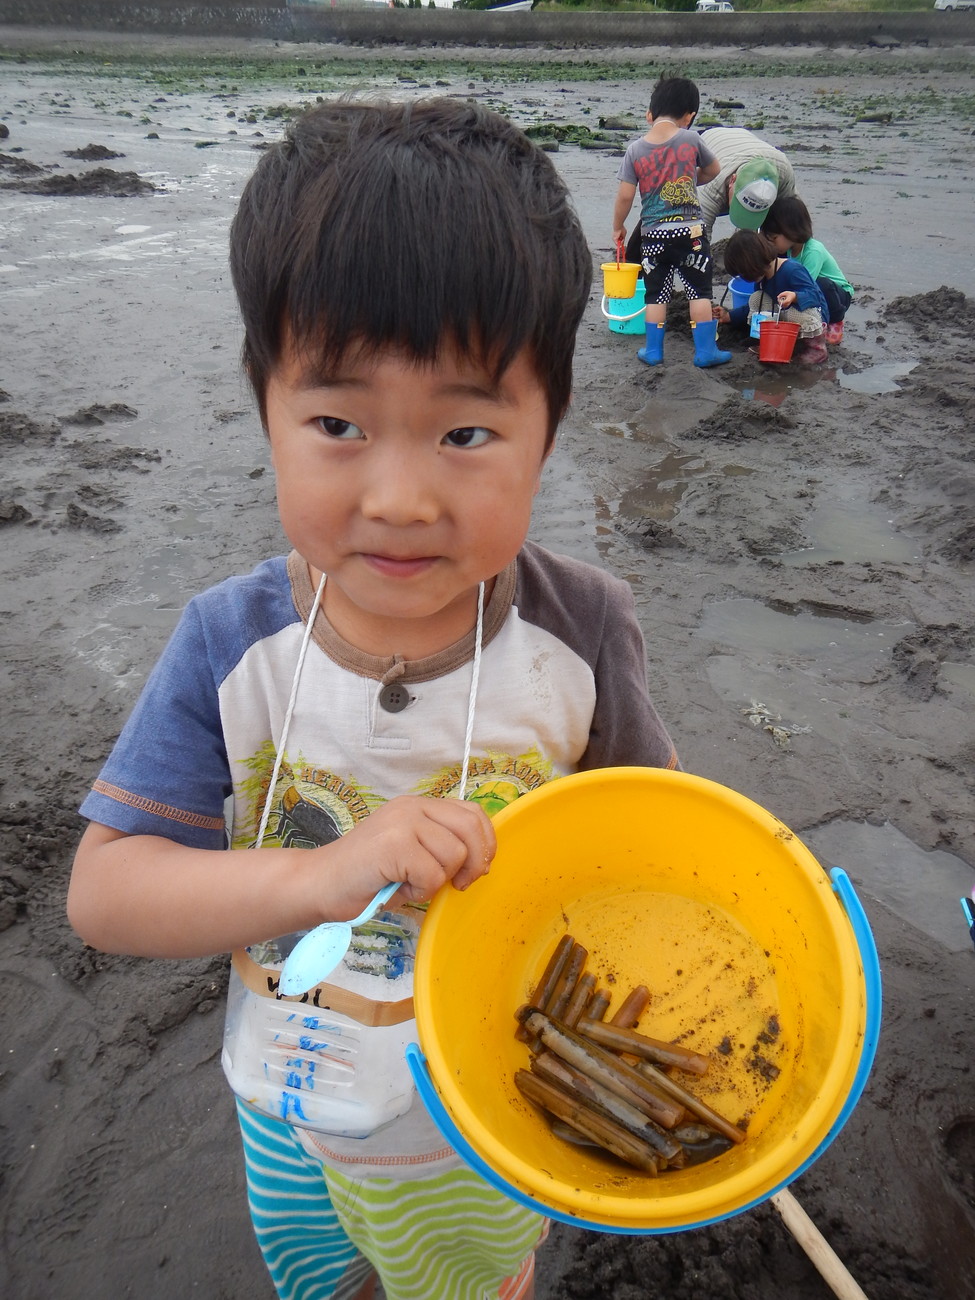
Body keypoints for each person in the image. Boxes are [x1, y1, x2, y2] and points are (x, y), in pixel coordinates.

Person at [66, 99, 680, 1300]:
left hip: (487, 1112)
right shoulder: (232, 644)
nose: (399, 497)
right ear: (267, 412)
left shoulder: (583, 632)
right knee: (316, 1275)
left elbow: (655, 857)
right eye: (338, 423)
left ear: (548, 430)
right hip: (290, 1091)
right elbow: (105, 893)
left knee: (467, 1278)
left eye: (466, 430)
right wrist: (327, 874)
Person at [612, 76, 730, 368]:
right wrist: (690, 179)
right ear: (689, 116)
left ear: (649, 114)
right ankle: (705, 352)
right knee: (699, 291)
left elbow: (625, 195)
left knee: (656, 294)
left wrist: (618, 226)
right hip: (691, 232)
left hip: (653, 236)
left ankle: (653, 351)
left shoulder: (635, 150)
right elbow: (714, 169)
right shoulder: (691, 139)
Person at [716, 229, 829, 365]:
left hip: (812, 316)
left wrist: (795, 296)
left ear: (756, 261)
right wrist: (729, 316)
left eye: (746, 273)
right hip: (786, 315)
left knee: (790, 312)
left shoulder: (791, 270)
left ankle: (816, 349)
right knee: (757, 298)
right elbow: (753, 307)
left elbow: (815, 296)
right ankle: (769, 342)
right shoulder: (762, 279)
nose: (746, 278)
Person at [760, 195, 854, 344]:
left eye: (774, 238)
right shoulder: (788, 250)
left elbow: (809, 285)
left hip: (837, 295)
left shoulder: (813, 251)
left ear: (792, 231)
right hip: (815, 292)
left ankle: (835, 322)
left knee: (822, 284)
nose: (771, 244)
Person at [695, 126, 797, 237]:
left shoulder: (784, 171)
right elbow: (699, 236)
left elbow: (796, 221)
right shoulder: (710, 186)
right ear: (732, 180)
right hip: (710, 138)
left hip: (744, 137)